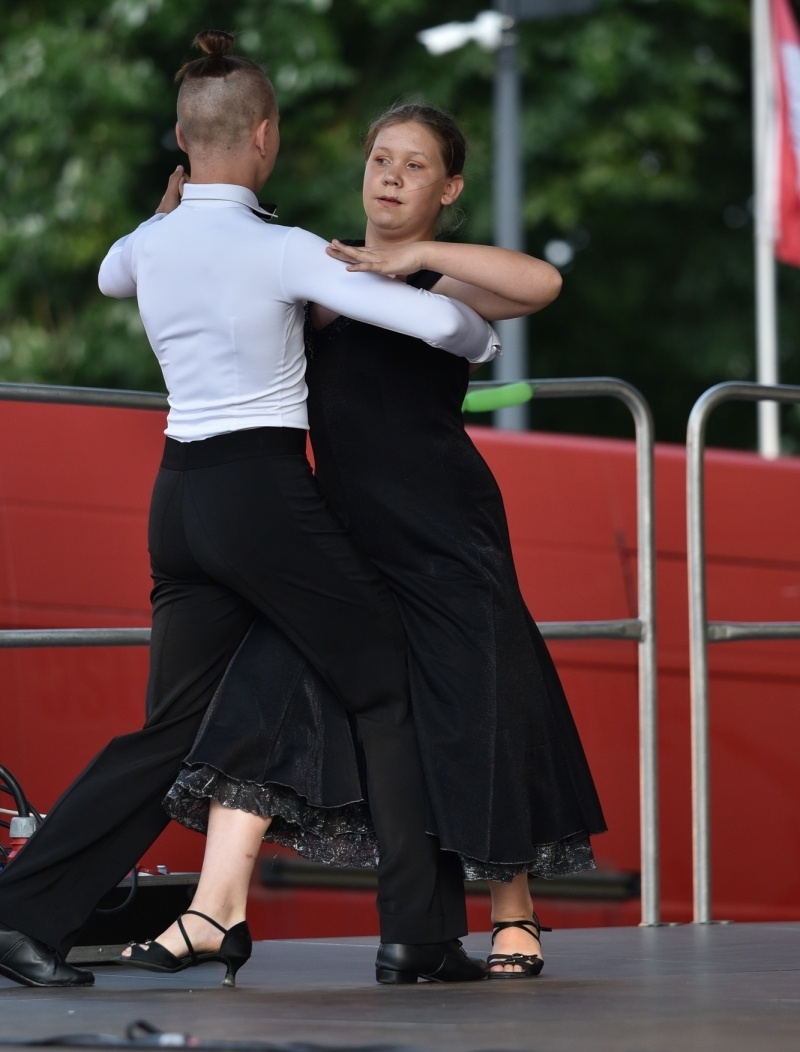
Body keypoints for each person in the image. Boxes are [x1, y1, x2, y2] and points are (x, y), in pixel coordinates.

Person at [0, 37, 501, 989]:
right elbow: (445, 328)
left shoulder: (151, 242)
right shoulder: (284, 250)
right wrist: (453, 313)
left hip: (178, 498)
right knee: (387, 680)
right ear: (264, 138)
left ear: (185, 141)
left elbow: (111, 273)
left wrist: (167, 212)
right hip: (260, 493)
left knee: (171, 732)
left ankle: (23, 917)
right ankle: (420, 936)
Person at [140, 102, 607, 981]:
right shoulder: (321, 273)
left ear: (449, 187)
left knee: (482, 702)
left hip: (444, 531)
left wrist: (417, 256)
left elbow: (542, 283)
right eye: (381, 158)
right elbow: (219, 285)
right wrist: (173, 227)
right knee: (268, 684)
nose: (390, 176)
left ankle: (515, 912)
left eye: (416, 165)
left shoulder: (449, 284)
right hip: (340, 529)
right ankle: (214, 908)